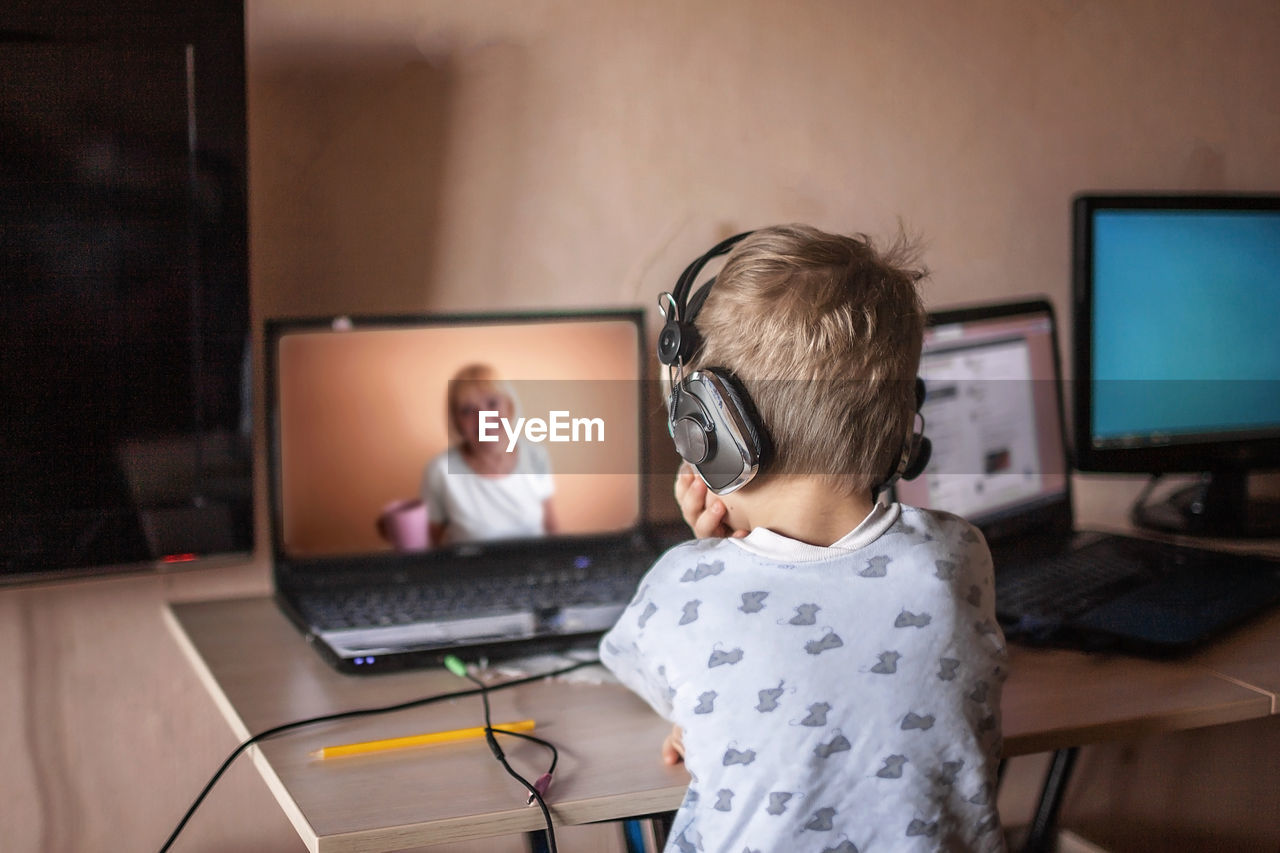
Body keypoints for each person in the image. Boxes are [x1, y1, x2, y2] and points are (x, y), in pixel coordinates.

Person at [599, 225, 1007, 852]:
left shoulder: (684, 587)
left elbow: (627, 662)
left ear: (705, 429)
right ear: (904, 424)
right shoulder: (960, 556)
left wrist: (713, 555)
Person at [420, 363, 557, 546]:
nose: (483, 418)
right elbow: (427, 545)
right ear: (457, 422)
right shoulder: (439, 471)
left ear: (509, 407)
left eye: (492, 403)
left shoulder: (536, 456)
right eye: (468, 410)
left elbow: (551, 528)